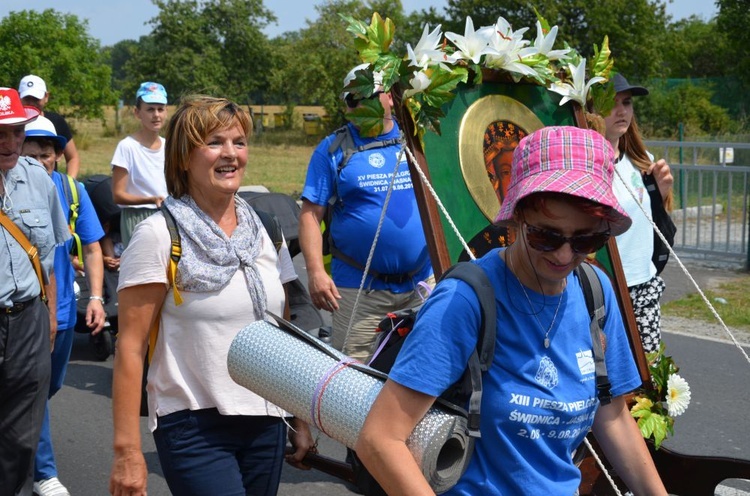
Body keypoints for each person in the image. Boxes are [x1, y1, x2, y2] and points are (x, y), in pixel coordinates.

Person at [355, 126, 668, 495]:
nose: (565, 255)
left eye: (587, 239)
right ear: (517, 217)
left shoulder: (594, 292)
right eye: (546, 236)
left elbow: (611, 414)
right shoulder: (464, 301)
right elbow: (380, 439)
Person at [109, 95, 314, 496]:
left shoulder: (266, 229)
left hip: (265, 419)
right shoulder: (157, 235)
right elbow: (130, 348)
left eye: (238, 142)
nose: (231, 154)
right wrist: (127, 451)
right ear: (184, 157)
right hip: (193, 424)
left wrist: (298, 416)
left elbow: (284, 330)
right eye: (215, 142)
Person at [299, 63, 433, 361]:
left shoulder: (417, 138)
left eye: (370, 96)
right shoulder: (332, 149)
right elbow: (310, 215)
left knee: (424, 370)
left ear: (389, 97)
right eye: (352, 100)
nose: (361, 106)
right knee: (354, 377)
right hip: (360, 290)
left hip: (423, 284)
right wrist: (316, 272)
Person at [22, 115, 107, 496]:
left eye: (47, 153)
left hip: (64, 308)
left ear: (58, 155)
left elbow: (91, 247)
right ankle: (44, 473)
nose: (41, 160)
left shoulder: (72, 191)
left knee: (50, 385)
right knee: (34, 389)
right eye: (33, 152)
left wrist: (96, 297)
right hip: (26, 310)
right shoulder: (10, 189)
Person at [0, 87, 70, 496]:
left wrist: (49, 320)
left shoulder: (40, 180)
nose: (9, 143)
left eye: (16, 132)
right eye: (0, 133)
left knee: (21, 438)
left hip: (29, 318)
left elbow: (48, 258)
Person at [603, 74, 674, 354]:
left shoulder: (642, 160)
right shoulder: (586, 165)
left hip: (643, 286)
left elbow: (653, 221)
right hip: (603, 290)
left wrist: (662, 193)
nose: (622, 111)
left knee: (647, 380)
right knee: (604, 380)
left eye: (627, 102)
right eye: (612, 103)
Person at [110, 81, 169, 248]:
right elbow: (118, 195)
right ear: (137, 113)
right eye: (150, 109)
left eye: (160, 109)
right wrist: (150, 199)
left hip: (166, 214)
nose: (156, 115)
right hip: (137, 217)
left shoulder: (169, 146)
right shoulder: (127, 147)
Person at [18, 74, 81, 178]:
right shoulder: (12, 124)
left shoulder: (56, 122)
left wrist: (68, 185)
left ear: (46, 97)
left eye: (36, 98)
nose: (31, 103)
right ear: (19, 97)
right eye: (27, 98)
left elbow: (72, 158)